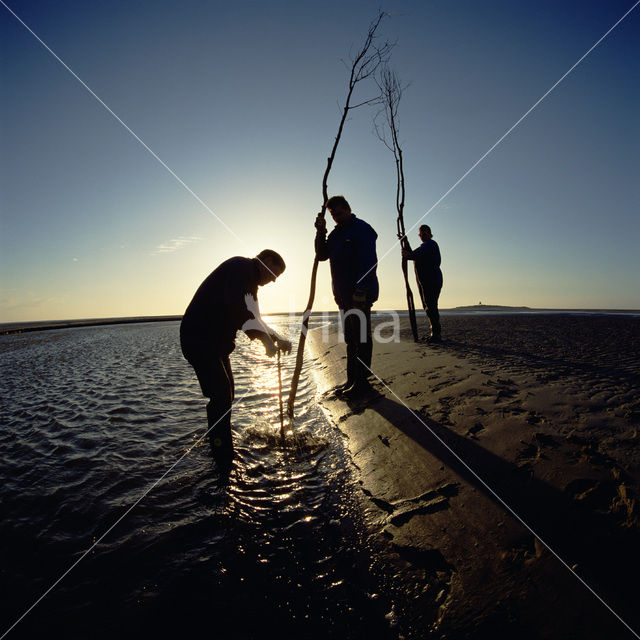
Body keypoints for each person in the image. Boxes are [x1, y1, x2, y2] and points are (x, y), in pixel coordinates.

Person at [180, 250, 291, 462]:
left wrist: (277, 338)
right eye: (274, 275)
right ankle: (221, 452)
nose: (273, 281)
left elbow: (254, 317)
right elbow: (238, 309)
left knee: (227, 394)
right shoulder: (241, 268)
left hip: (216, 344)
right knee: (220, 395)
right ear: (266, 261)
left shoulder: (249, 279)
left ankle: (221, 443)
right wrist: (266, 341)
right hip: (199, 340)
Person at [315, 195, 379, 398]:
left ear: (349, 209)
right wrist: (320, 231)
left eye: (339, 213)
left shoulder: (362, 229)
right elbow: (322, 255)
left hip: (359, 294)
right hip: (342, 296)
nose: (336, 217)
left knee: (361, 338)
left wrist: (361, 290)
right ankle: (352, 379)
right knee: (351, 339)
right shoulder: (334, 234)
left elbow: (370, 262)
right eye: (333, 214)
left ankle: (362, 383)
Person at [401, 225, 443, 342]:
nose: (422, 236)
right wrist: (405, 241)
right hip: (426, 281)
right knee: (429, 306)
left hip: (431, 280)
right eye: (421, 234)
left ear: (430, 234)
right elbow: (413, 254)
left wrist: (407, 254)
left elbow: (412, 255)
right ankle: (435, 333)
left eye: (424, 234)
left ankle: (436, 334)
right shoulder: (424, 247)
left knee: (431, 306)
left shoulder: (430, 245)